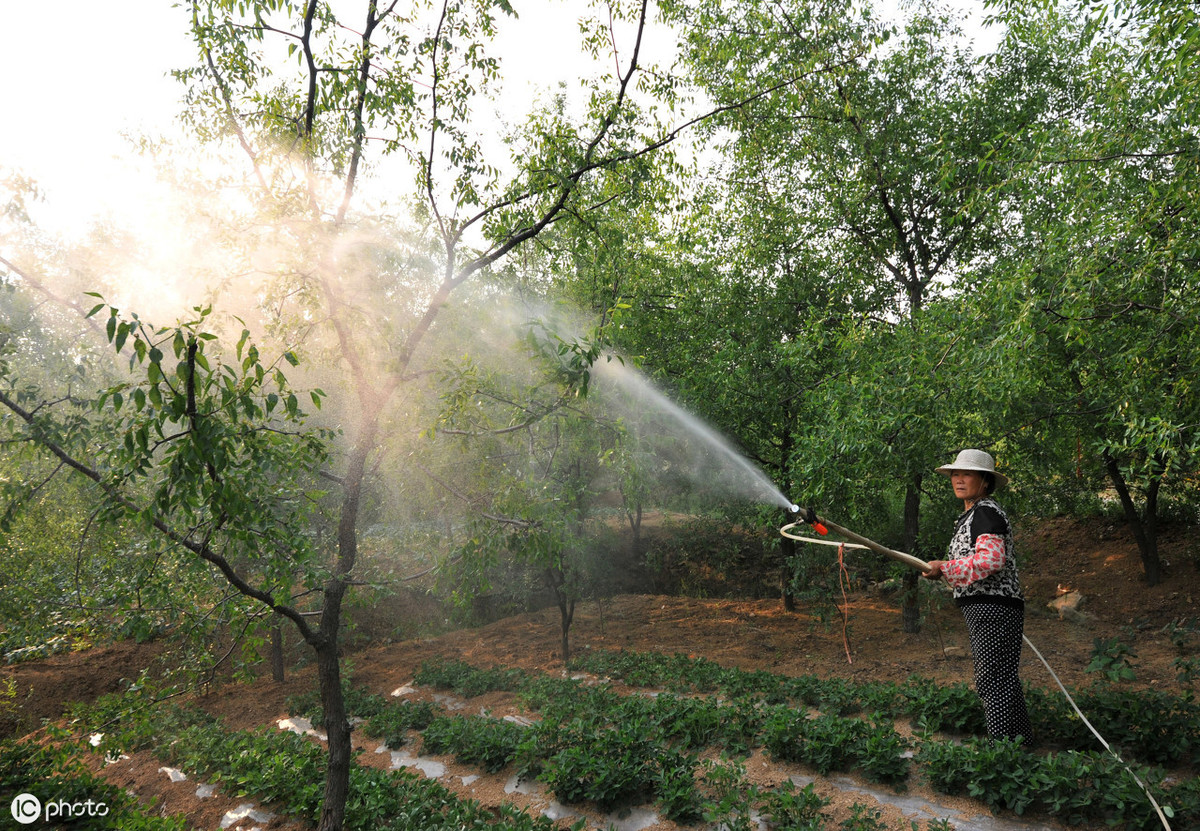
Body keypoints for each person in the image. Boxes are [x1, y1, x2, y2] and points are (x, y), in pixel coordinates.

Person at [922, 448, 1032, 743]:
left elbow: (991, 561)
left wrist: (944, 567)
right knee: (1003, 678)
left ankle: (1001, 752)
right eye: (955, 473)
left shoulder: (985, 512)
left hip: (993, 608)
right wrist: (944, 571)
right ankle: (1020, 744)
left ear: (984, 481)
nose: (958, 479)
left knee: (992, 680)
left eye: (966, 473)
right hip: (991, 608)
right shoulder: (973, 514)